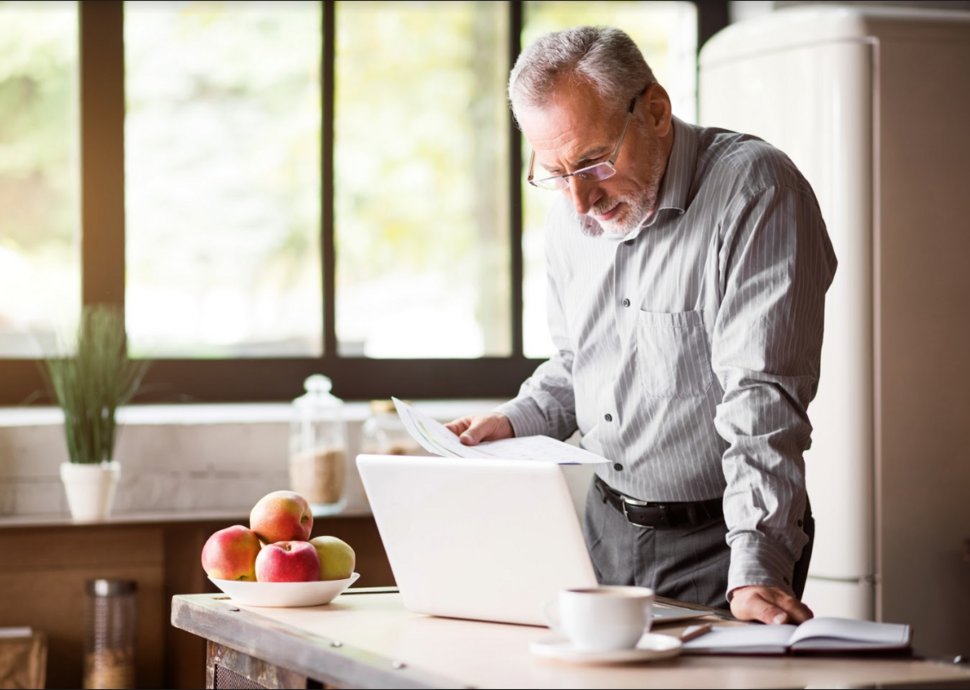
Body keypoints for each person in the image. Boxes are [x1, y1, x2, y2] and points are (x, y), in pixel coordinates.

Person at [445, 25, 836, 626]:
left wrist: (758, 564)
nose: (579, 203)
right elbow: (583, 360)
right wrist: (513, 419)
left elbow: (763, 396)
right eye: (553, 173)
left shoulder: (756, 191)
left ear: (654, 111)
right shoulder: (570, 218)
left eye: (593, 162)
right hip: (602, 532)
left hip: (720, 541)